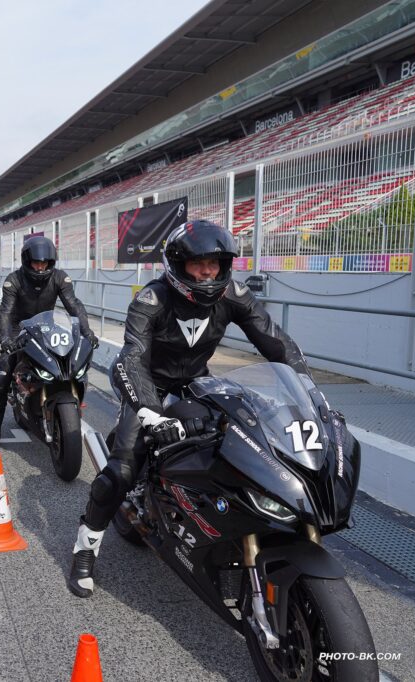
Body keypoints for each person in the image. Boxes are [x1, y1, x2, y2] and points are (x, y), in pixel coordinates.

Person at [67, 219, 314, 598]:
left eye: (215, 263)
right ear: (179, 265)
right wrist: (150, 413)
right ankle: (85, 547)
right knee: (121, 471)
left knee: (241, 446)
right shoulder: (152, 299)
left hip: (198, 382)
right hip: (147, 384)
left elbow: (277, 344)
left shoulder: (234, 294)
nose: (208, 272)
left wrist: (310, 392)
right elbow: (132, 358)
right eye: (198, 264)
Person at [0, 237, 97, 452]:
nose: (40, 267)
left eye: (44, 263)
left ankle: (62, 403)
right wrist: (6, 339)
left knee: (69, 365)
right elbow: (4, 312)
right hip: (18, 330)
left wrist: (87, 331)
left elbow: (74, 305)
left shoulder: (60, 278)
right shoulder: (14, 280)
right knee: (1, 377)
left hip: (47, 327)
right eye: (36, 262)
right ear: (27, 261)